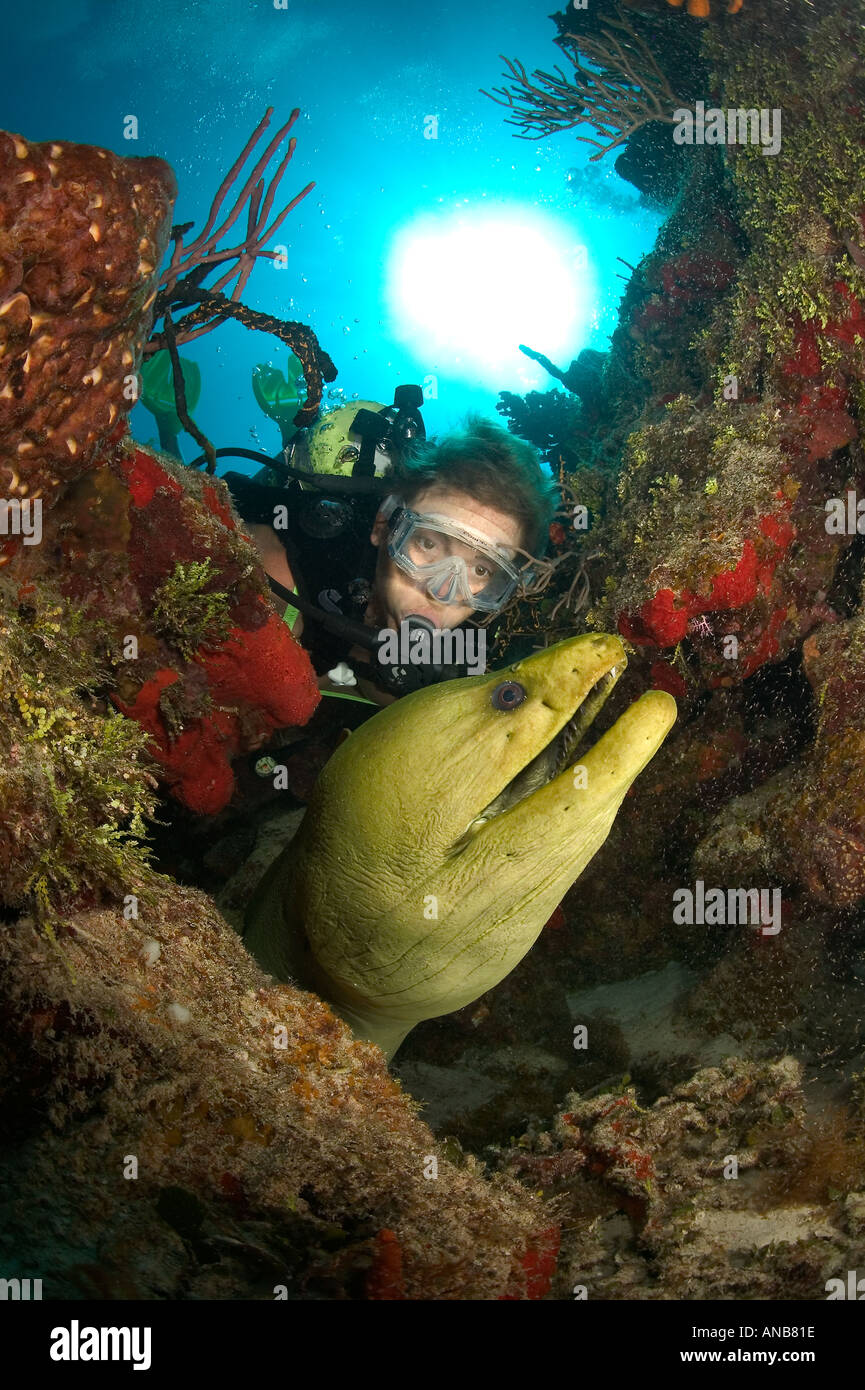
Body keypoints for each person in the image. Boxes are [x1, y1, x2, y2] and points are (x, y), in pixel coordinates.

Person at [226, 410, 559, 712]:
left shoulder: (484, 654)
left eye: (482, 570)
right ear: (384, 526)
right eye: (428, 543)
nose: (441, 591)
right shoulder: (275, 575)